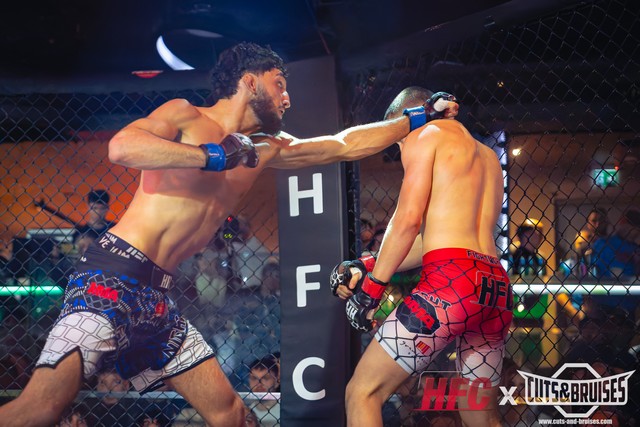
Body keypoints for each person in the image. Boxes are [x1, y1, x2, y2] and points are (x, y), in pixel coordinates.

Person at [0, 42, 458, 427]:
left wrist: (417, 118)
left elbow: (343, 144)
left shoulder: (264, 148)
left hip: (157, 299)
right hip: (112, 276)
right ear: (250, 81)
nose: (287, 99)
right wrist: (212, 156)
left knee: (231, 415)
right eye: (279, 84)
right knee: (42, 408)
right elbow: (122, 147)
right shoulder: (185, 116)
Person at [330, 86, 510, 427]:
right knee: (479, 413)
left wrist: (372, 291)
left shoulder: (424, 134)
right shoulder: (488, 156)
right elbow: (437, 239)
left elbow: (408, 220)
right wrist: (368, 264)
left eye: (397, 140)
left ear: (408, 119)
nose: (400, 148)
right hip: (494, 288)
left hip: (449, 286)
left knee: (363, 393)